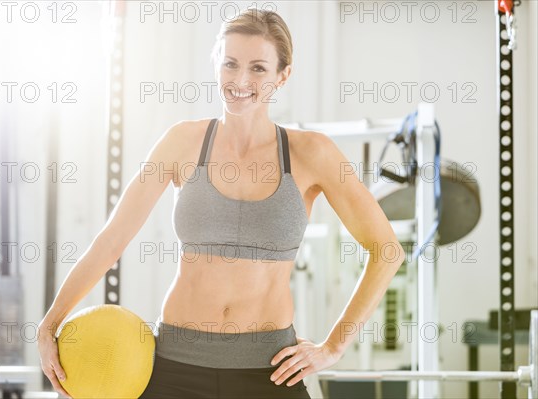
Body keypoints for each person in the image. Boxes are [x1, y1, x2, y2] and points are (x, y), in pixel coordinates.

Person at [37, 7, 406, 399]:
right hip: (175, 364)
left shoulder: (312, 153)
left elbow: (387, 250)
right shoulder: (182, 142)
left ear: (284, 74)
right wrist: (48, 327)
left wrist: (334, 347)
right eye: (230, 64)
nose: (241, 80)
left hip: (269, 370)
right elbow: (111, 240)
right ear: (216, 63)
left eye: (259, 68)